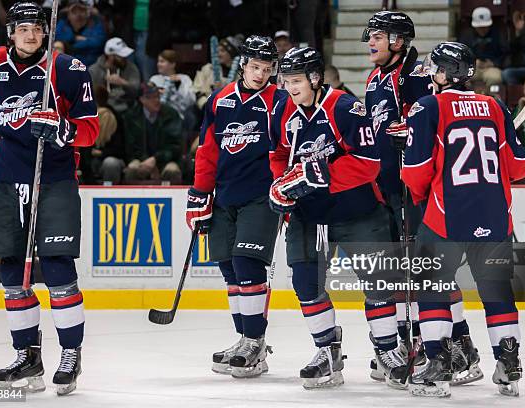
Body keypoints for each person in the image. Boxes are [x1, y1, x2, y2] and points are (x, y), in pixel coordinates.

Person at [0, 2, 99, 396]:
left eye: (38, 28)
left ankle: (70, 354)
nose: (31, 35)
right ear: (10, 32)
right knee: (13, 272)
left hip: (54, 179)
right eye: (24, 28)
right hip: (8, 180)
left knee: (58, 268)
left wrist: (62, 128)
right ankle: (26, 354)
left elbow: (91, 130)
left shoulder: (66, 70)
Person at [269, 46, 407, 389]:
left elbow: (367, 163)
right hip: (310, 216)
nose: (289, 87)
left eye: (296, 80)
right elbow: (279, 155)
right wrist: (282, 185)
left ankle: (388, 350)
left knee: (378, 284)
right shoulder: (283, 110)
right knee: (306, 284)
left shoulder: (346, 107)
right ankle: (327, 351)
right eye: (285, 80)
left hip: (357, 211)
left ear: (315, 78)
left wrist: (314, 173)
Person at [401, 41, 525, 397]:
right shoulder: (494, 106)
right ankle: (509, 365)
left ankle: (438, 367)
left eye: (435, 68)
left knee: (432, 289)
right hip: (495, 216)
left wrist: (420, 189)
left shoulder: (428, 107)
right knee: (496, 291)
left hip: (447, 217)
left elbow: (415, 172)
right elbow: (519, 166)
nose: (431, 74)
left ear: (445, 74)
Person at [364, 10, 482, 386]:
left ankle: (460, 347)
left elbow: (435, 123)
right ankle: (411, 343)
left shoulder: (417, 76)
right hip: (386, 187)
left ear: (398, 41)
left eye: (378, 37)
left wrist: (411, 131)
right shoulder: (374, 78)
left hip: (416, 189)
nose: (370, 42)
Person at [186, 35, 280, 378]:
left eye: (268, 69)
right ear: (243, 65)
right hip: (224, 196)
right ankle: (244, 337)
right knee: (229, 267)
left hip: (262, 197)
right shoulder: (220, 100)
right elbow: (208, 151)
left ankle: (255, 342)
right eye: (256, 67)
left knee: (248, 263)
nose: (261, 74)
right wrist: (199, 193)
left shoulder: (279, 102)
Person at [122, 82, 183, 185]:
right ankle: (132, 199)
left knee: (172, 170)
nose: (157, 100)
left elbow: (175, 146)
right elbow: (129, 147)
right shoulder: (131, 117)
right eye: (152, 98)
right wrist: (146, 161)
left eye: (158, 96)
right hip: (141, 160)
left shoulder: (171, 114)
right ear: (142, 100)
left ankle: (173, 200)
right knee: (132, 169)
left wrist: (156, 159)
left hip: (166, 160)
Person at [89, 37, 141, 113]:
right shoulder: (94, 71)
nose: (124, 58)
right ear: (110, 56)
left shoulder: (131, 68)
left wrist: (123, 83)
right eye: (120, 56)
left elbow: (137, 92)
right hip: (103, 110)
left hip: (127, 109)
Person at [459, 7, 506, 87]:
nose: (482, 30)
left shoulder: (497, 34)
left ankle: (490, 97)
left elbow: (505, 54)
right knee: (462, 76)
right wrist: (471, 62)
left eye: (485, 27)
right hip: (473, 67)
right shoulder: (466, 36)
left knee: (495, 77)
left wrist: (494, 63)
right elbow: (460, 54)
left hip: (492, 68)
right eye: (480, 27)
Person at [193, 36, 241, 110]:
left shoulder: (241, 74)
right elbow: (196, 89)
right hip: (206, 108)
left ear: (231, 53)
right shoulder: (207, 69)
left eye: (222, 51)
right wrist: (206, 105)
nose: (218, 54)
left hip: (231, 110)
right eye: (217, 51)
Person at [149, 49, 196, 121]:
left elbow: (190, 101)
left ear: (172, 64)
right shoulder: (154, 79)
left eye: (162, 61)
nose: (158, 64)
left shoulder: (184, 78)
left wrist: (178, 87)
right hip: (158, 115)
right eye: (158, 61)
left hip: (178, 114)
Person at [55, 0, 105, 67]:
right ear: (68, 15)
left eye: (82, 11)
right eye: (74, 12)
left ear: (87, 14)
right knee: (57, 46)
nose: (78, 15)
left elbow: (99, 42)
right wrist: (74, 38)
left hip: (89, 65)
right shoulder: (63, 23)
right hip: (67, 64)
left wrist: (71, 46)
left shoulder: (95, 24)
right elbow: (56, 37)